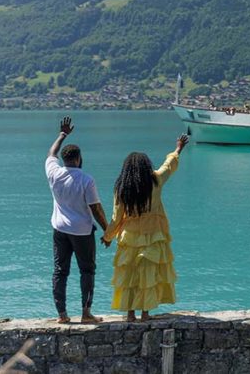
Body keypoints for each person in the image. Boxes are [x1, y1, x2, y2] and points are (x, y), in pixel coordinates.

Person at [102, 133, 190, 321]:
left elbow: (116, 218)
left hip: (129, 237)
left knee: (129, 277)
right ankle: (145, 313)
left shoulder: (122, 189)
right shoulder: (155, 181)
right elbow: (168, 167)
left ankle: (130, 313)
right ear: (146, 166)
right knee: (147, 276)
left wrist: (107, 237)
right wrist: (178, 148)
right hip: (152, 236)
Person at [45, 116, 109, 324]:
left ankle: (62, 315)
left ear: (65, 159)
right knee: (87, 270)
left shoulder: (54, 173)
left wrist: (62, 134)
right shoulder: (86, 179)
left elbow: (51, 153)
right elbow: (96, 209)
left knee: (60, 271)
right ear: (79, 158)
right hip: (82, 232)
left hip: (60, 230)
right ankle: (85, 313)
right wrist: (108, 231)